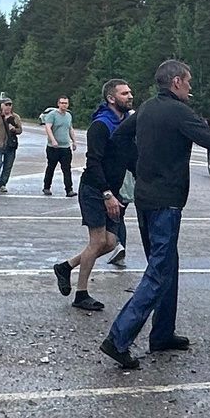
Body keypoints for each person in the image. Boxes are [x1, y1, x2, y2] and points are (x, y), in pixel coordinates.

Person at [101, 58, 210, 370]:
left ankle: (162, 334)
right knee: (159, 271)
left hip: (147, 199)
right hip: (166, 203)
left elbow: (120, 138)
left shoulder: (146, 108)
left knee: (166, 265)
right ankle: (119, 338)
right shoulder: (179, 112)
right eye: (187, 82)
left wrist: (138, 166)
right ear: (176, 82)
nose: (190, 88)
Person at [54, 79, 134, 313]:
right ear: (111, 98)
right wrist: (106, 193)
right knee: (98, 241)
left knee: (110, 243)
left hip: (114, 190)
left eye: (130, 92)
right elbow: (94, 162)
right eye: (124, 93)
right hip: (94, 189)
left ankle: (65, 267)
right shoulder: (101, 125)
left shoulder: (126, 122)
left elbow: (130, 156)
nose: (130, 96)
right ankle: (81, 294)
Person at [40, 96, 75, 196]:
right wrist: (53, 140)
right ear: (58, 104)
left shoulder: (68, 116)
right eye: (62, 103)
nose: (64, 105)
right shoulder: (52, 115)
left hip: (65, 147)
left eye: (66, 103)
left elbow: (70, 128)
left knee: (67, 169)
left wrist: (74, 141)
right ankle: (46, 187)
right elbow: (48, 128)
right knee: (51, 167)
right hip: (53, 147)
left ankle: (69, 190)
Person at [0, 96, 23, 192]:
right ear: (1, 106)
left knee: (8, 166)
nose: (8, 107)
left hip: (11, 145)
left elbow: (20, 130)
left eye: (10, 105)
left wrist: (14, 129)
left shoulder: (15, 117)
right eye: (6, 105)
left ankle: (3, 183)